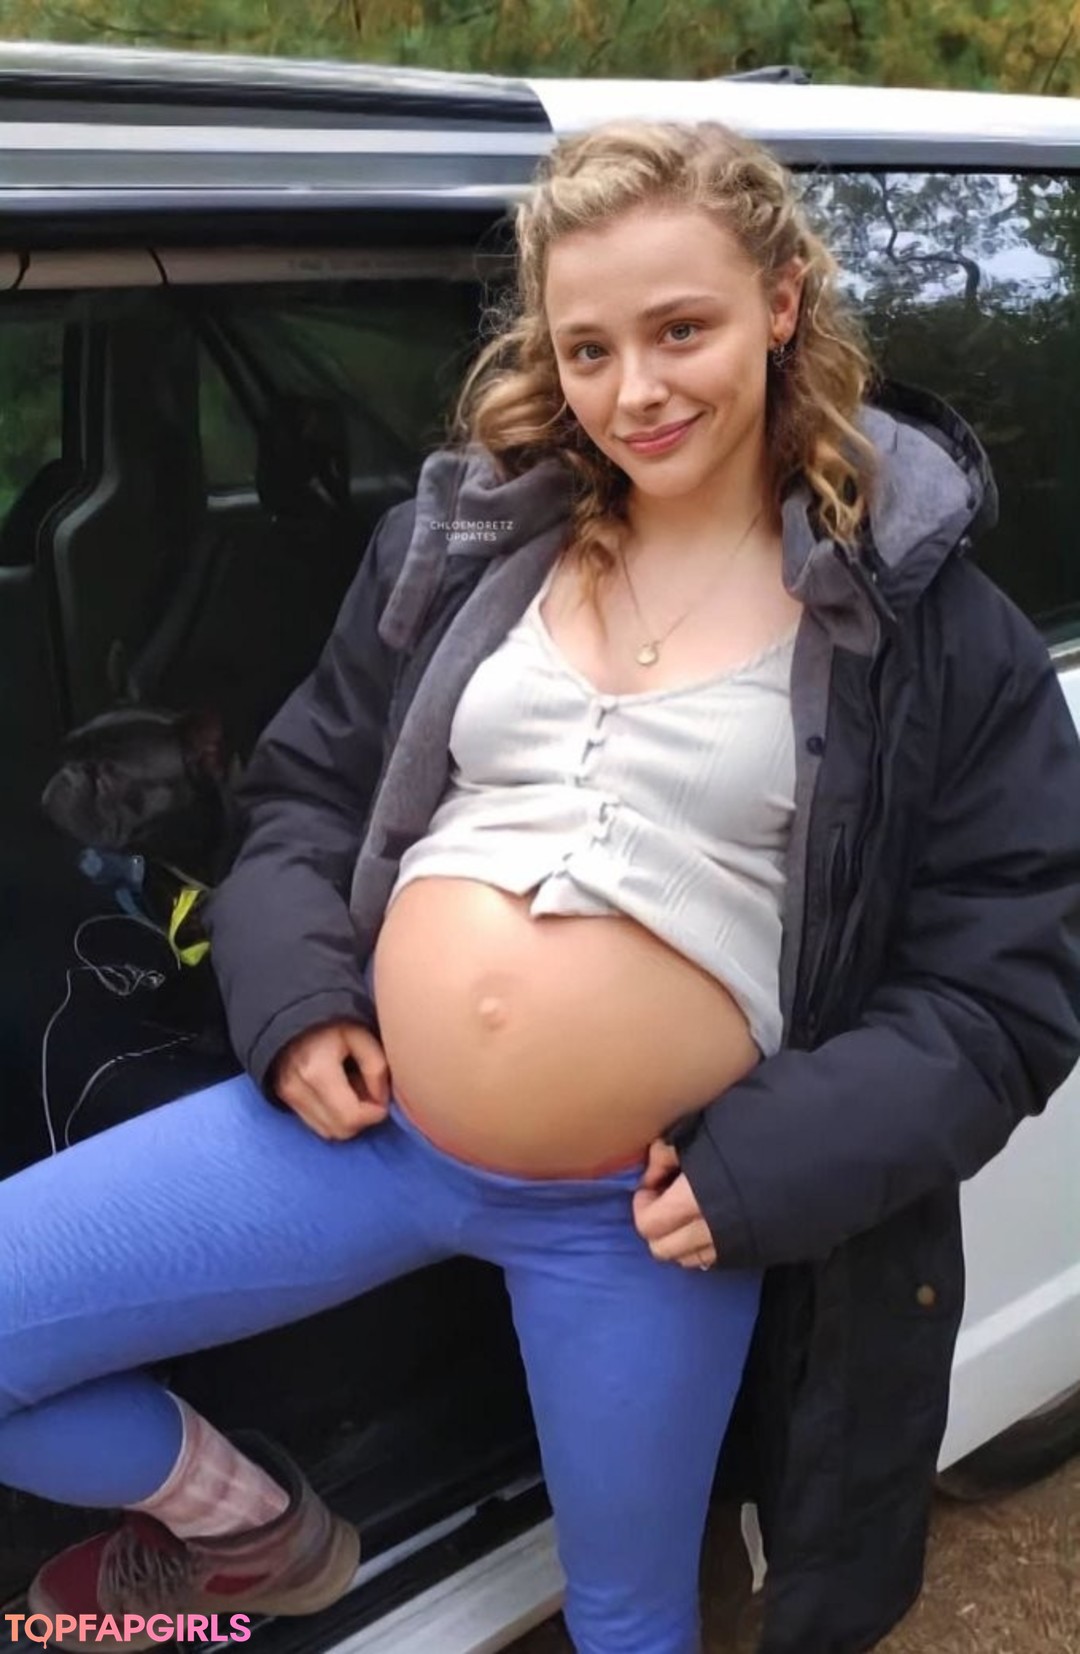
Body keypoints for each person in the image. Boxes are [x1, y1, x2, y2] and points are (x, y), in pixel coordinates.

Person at [2, 118, 1079, 1654]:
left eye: (681, 329)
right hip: (369, 1131)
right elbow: (305, 792)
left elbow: (1002, 986)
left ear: (782, 302)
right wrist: (298, 997)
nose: (634, 391)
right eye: (588, 348)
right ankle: (248, 1526)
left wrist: (766, 1163)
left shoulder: (926, 621)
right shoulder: (465, 546)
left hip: (635, 1217)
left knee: (629, 1614)